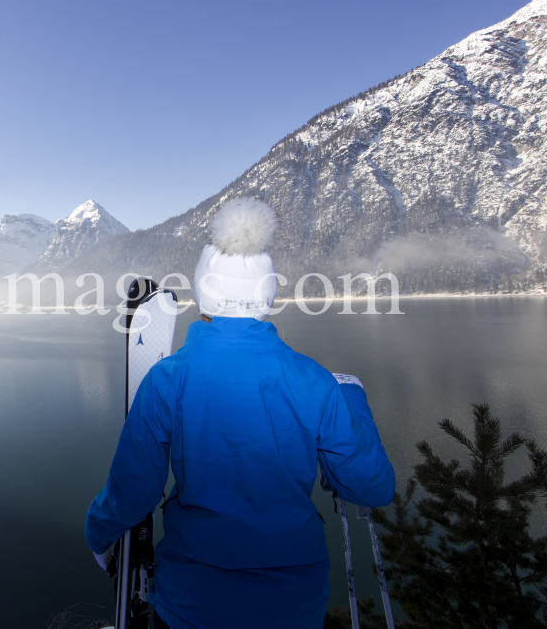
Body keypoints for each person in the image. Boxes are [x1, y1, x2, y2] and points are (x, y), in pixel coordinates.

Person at [84, 197, 395, 629]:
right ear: (267, 295)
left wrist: (99, 537)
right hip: (292, 609)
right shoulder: (314, 381)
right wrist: (352, 400)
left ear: (203, 296)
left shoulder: (167, 379)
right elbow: (373, 485)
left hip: (189, 605)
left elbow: (133, 489)